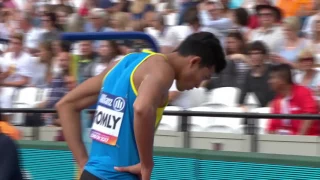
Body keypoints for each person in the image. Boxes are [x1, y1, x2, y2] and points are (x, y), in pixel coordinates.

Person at [56, 32, 226, 180]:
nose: (198, 85)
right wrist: (146, 163)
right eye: (204, 76)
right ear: (194, 61)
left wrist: (83, 163)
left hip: (92, 175)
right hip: (122, 175)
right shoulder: (163, 70)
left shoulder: (125, 62)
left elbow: (66, 105)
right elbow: (142, 108)